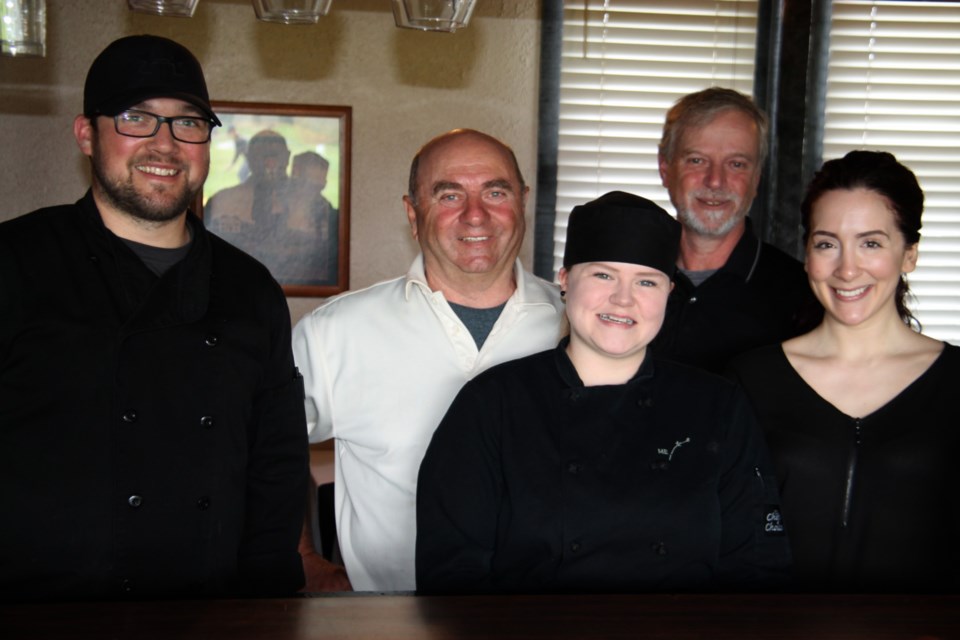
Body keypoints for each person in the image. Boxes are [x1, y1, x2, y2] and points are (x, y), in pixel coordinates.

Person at [0, 35, 308, 601]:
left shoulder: (250, 288)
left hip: (213, 614)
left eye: (188, 123)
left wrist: (269, 612)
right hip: (42, 614)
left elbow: (277, 472)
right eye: (136, 118)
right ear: (87, 134)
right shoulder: (15, 262)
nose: (165, 144)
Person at [416, 191, 791, 594]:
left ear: (667, 293)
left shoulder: (718, 406)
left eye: (646, 281)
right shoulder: (491, 404)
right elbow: (451, 578)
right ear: (564, 280)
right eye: (603, 275)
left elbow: (756, 568)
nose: (623, 298)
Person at [292, 129, 565, 592]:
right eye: (449, 194)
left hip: (545, 617)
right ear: (413, 214)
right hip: (390, 621)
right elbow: (261, 447)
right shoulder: (334, 332)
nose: (475, 215)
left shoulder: (575, 323)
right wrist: (299, 558)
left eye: (495, 192)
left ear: (522, 201)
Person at [727, 151, 960, 593]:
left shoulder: (955, 383)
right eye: (826, 243)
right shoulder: (751, 379)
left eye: (871, 243)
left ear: (908, 254)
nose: (847, 269)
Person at [651, 87, 819, 373]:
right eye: (697, 160)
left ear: (756, 178)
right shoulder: (624, 281)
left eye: (736, 164)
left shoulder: (804, 299)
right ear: (665, 168)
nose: (715, 181)